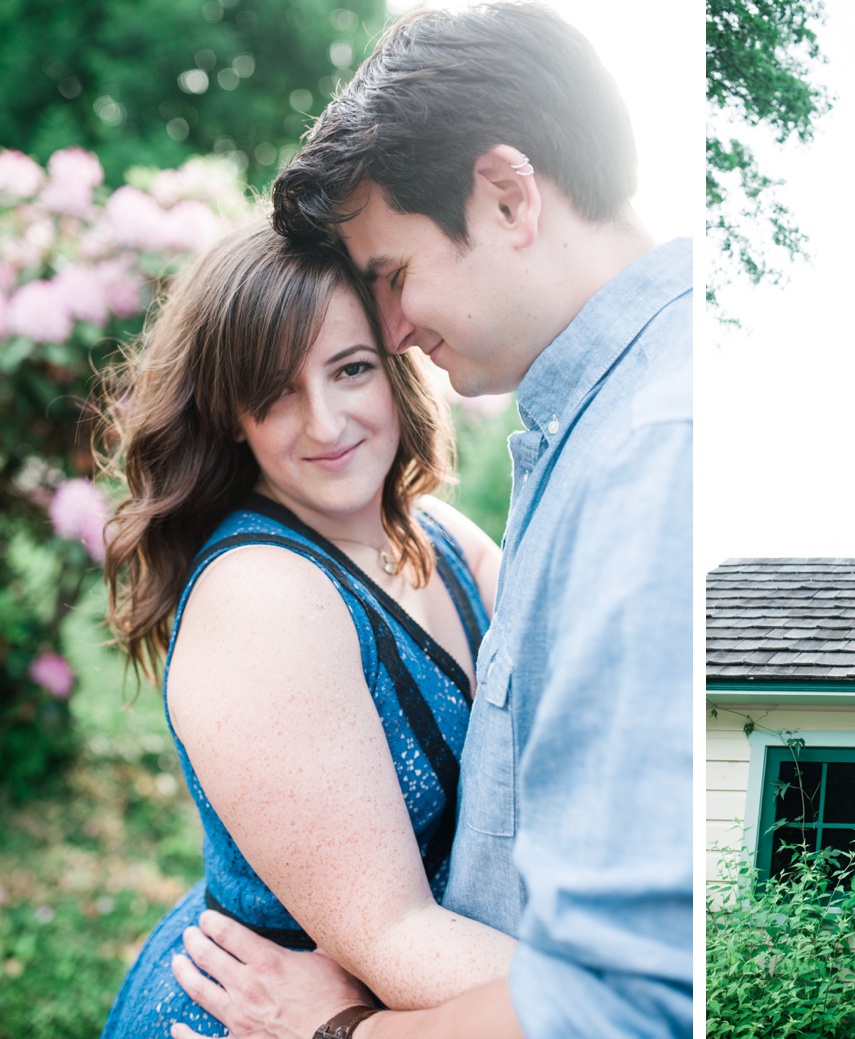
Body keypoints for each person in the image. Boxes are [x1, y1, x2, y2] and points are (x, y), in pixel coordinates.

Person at [168, 4, 693, 1038]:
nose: (399, 328)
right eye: (274, 389)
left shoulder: (630, 461)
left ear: (507, 197)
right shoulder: (578, 440)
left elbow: (624, 999)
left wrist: (347, 1031)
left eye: (389, 288)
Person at [97, 220, 519, 1039]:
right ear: (230, 414)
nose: (325, 423)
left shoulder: (445, 538)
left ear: (399, 368)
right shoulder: (263, 595)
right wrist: (627, 990)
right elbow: (394, 935)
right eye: (276, 390)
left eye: (351, 368)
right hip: (277, 1014)